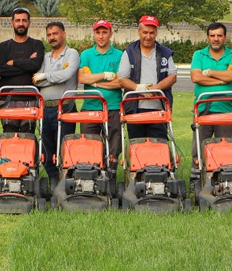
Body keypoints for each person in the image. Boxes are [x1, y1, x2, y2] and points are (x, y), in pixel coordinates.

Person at [118, 15, 177, 140]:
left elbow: (172, 76)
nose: (148, 36)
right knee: (137, 145)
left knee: (159, 146)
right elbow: (122, 79)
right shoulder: (129, 52)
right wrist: (139, 88)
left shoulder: (165, 53)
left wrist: (155, 89)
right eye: (145, 32)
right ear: (139, 32)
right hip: (134, 108)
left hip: (159, 108)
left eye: (152, 33)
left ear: (156, 33)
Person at [33, 21, 80, 181]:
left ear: (63, 34)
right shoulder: (44, 57)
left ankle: (65, 180)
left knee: (64, 149)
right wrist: (53, 77)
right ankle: (54, 180)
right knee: (46, 151)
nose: (52, 37)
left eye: (55, 33)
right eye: (49, 35)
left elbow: (66, 75)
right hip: (45, 109)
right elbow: (35, 81)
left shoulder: (72, 54)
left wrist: (45, 76)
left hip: (64, 108)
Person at [76, 19, 124, 162]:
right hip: (90, 106)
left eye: (104, 32)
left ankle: (111, 176)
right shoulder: (86, 55)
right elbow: (82, 78)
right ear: (94, 34)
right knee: (89, 145)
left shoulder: (119, 55)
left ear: (111, 34)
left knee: (114, 147)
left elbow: (120, 82)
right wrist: (104, 76)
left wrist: (95, 83)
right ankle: (93, 176)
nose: (101, 36)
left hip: (113, 107)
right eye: (98, 33)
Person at [0, 7, 44, 133]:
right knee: (9, 137)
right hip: (8, 98)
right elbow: (0, 69)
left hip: (30, 98)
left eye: (24, 20)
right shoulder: (3, 46)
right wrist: (27, 62)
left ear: (29, 23)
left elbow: (36, 65)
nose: (21, 23)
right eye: (17, 20)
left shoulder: (37, 44)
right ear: (12, 23)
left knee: (28, 137)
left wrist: (14, 62)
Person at [190, 21, 232, 138]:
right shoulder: (199, 55)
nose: (216, 39)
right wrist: (222, 80)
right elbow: (196, 77)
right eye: (212, 36)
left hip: (226, 109)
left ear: (225, 37)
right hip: (202, 108)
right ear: (207, 37)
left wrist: (210, 72)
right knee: (200, 150)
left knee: (225, 148)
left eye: (219, 35)